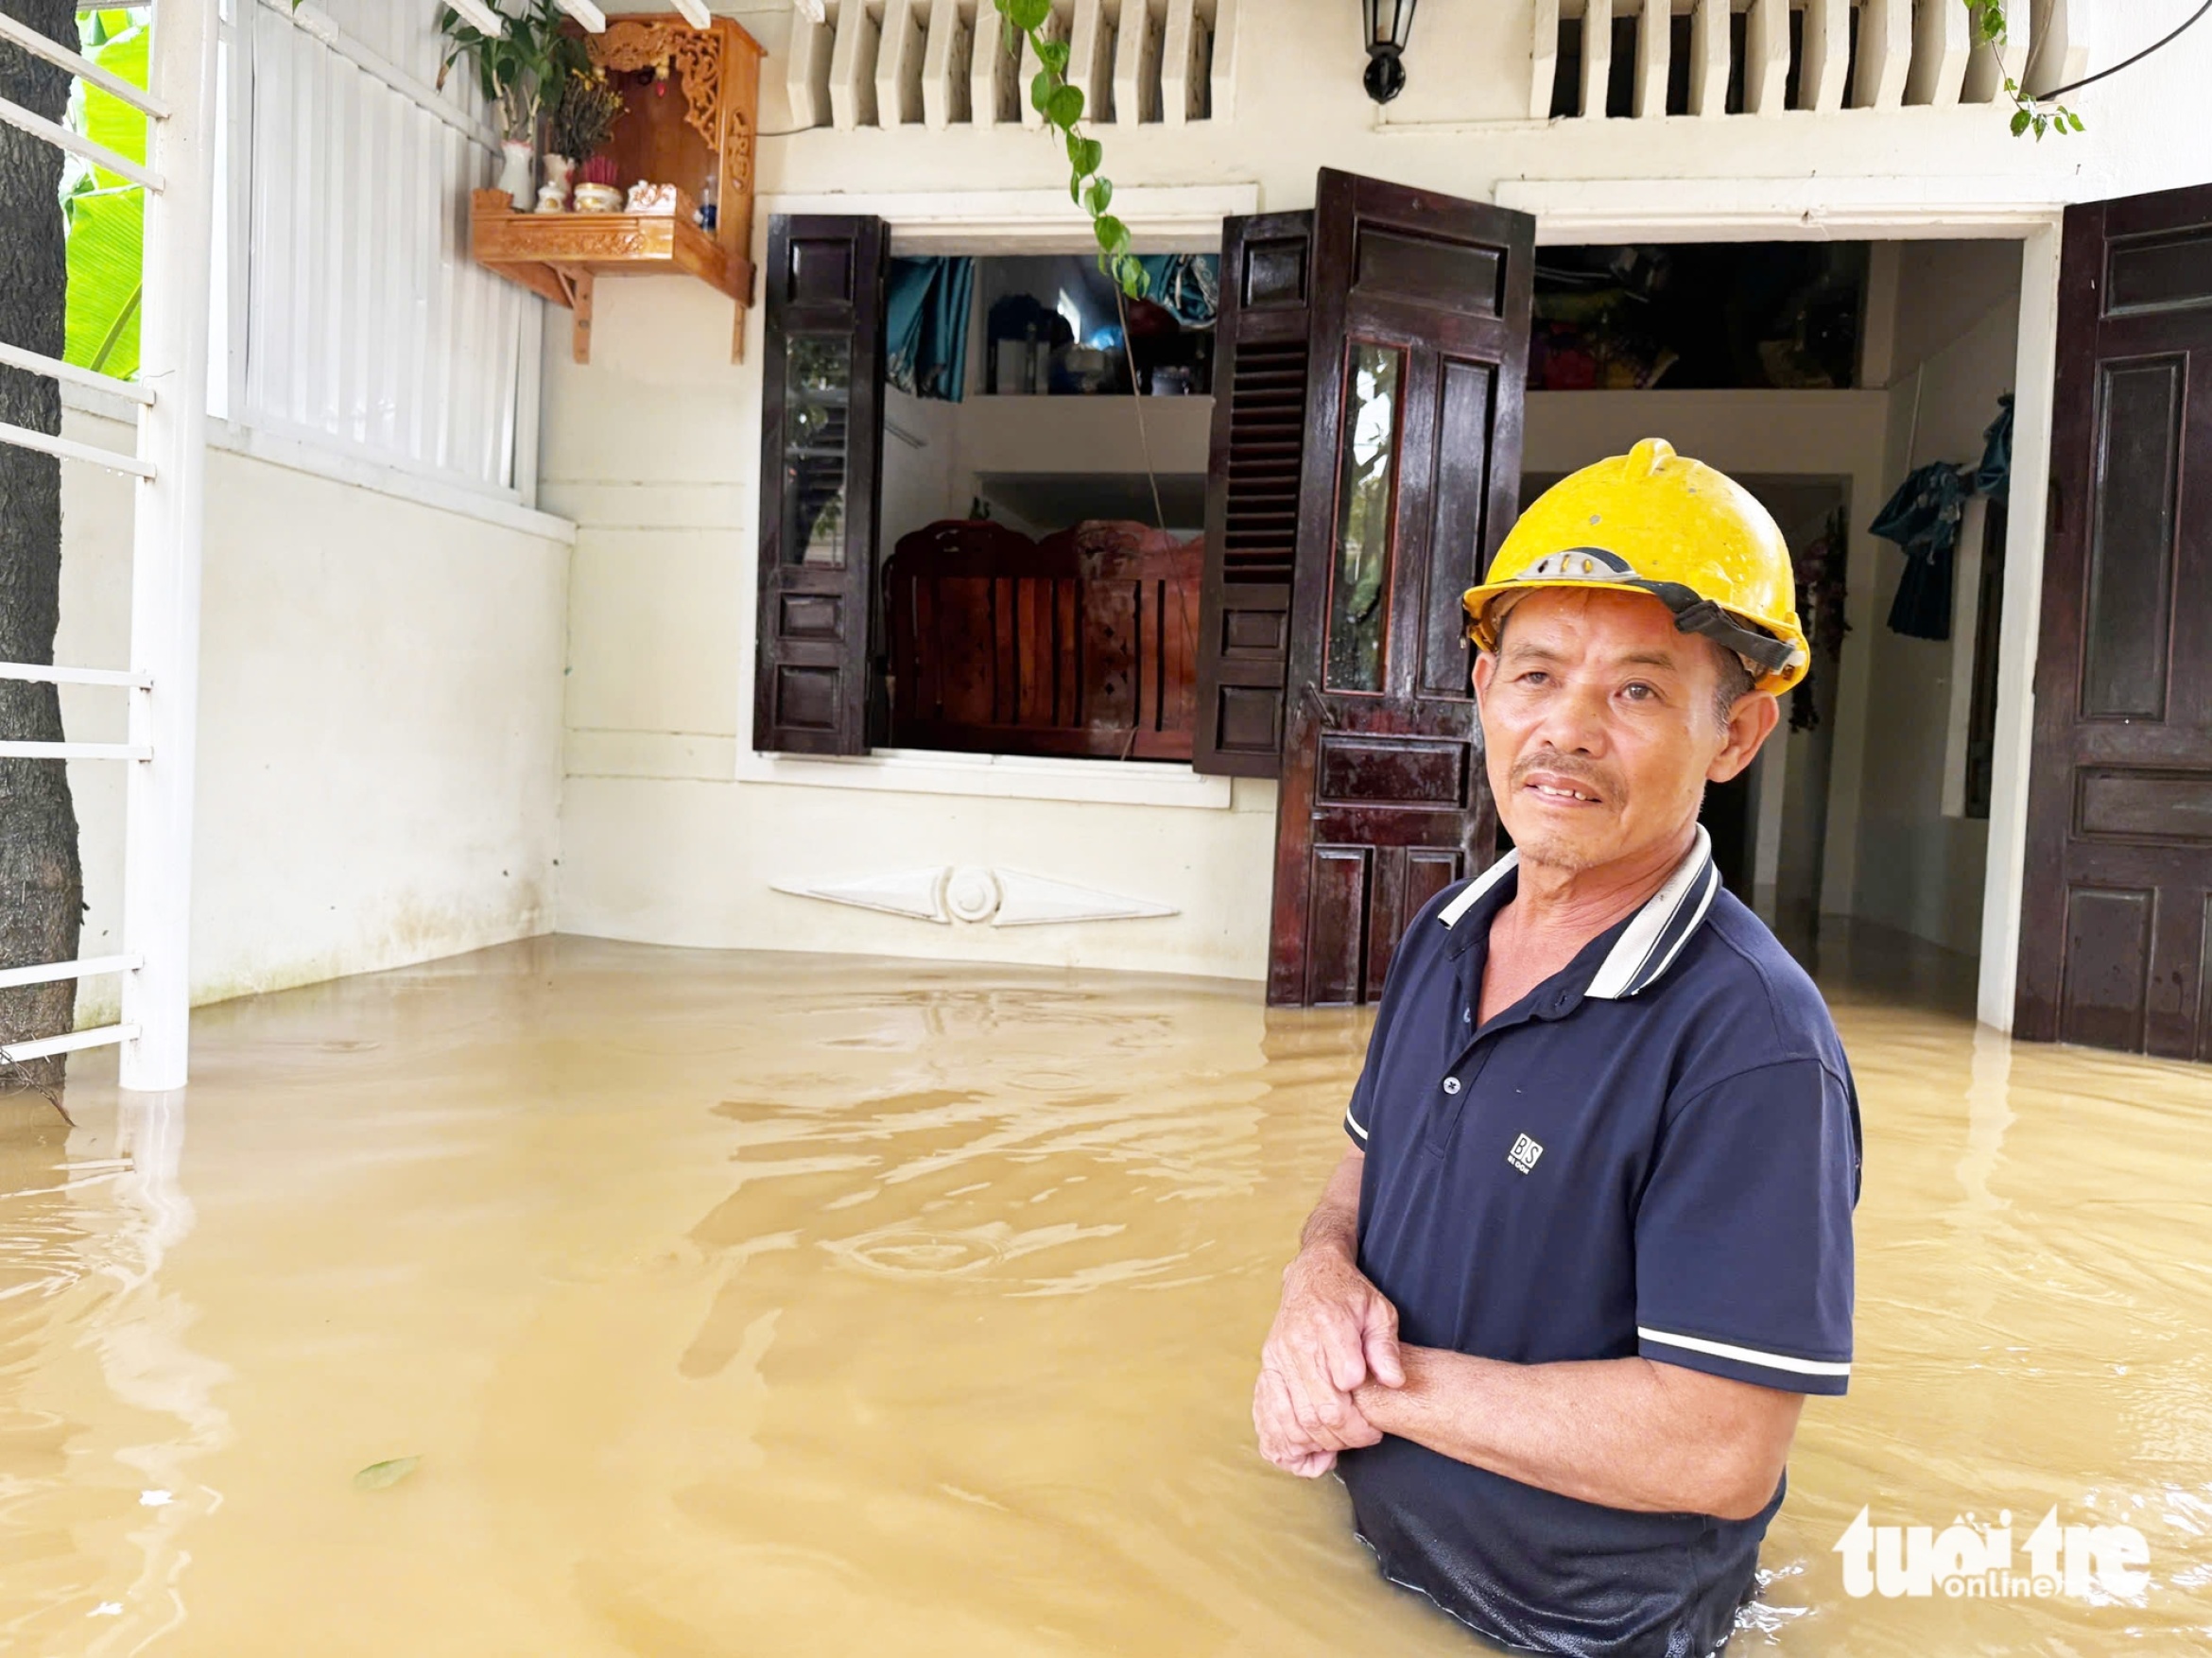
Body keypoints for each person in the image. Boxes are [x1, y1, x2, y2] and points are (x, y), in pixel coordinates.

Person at [1253, 440, 1861, 1658]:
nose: (1566, 730)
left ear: (1735, 733)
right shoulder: (1445, 931)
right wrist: (1312, 1284)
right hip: (1363, 1566)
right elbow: (1364, 1177)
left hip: (1578, 1628)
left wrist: (1368, 1387)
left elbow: (1722, 1449)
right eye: (1536, 675)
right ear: (1485, 690)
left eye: (1637, 691)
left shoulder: (1754, 1046)